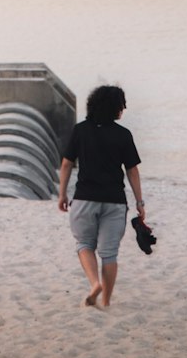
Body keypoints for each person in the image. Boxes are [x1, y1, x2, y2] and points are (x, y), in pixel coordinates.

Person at [58, 84, 147, 307]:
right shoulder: (123, 135)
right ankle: (106, 301)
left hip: (84, 199)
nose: (123, 110)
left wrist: (62, 194)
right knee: (109, 254)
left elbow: (67, 164)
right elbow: (132, 170)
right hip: (114, 201)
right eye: (122, 106)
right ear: (115, 108)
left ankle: (94, 283)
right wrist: (139, 202)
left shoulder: (80, 130)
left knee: (84, 245)